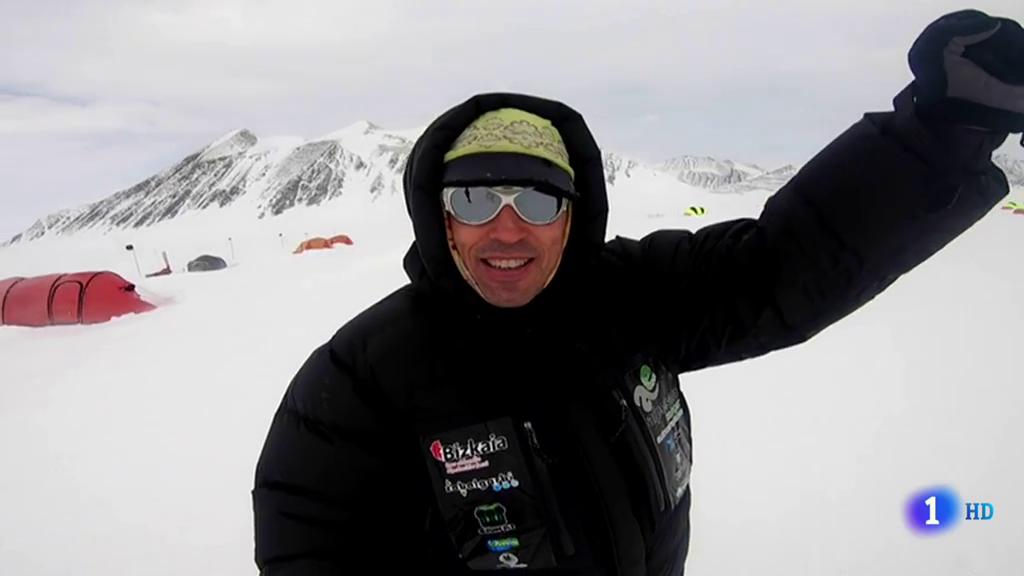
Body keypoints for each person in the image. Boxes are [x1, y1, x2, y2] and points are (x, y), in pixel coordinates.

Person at [253, 10, 1023, 575]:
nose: (508, 229)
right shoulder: (359, 383)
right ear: (441, 219)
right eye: (477, 200)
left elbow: (787, 265)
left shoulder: (629, 299)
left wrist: (944, 132)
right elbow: (308, 551)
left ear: (573, 217)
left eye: (539, 201)